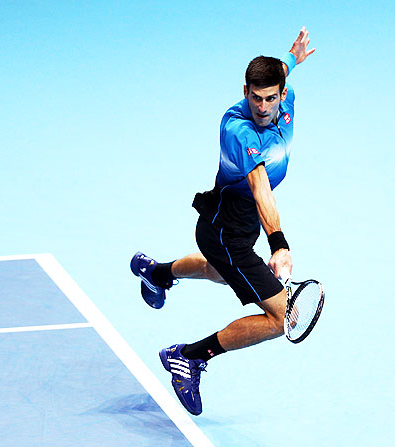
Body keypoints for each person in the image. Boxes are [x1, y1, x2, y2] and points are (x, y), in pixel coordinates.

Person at [131, 27, 316, 416]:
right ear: (244, 91)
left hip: (240, 223)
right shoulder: (238, 129)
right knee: (280, 316)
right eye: (254, 96)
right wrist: (279, 245)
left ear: (282, 94)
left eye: (270, 97)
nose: (261, 106)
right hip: (226, 227)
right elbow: (261, 187)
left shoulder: (285, 95)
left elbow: (282, 69)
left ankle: (158, 273)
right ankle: (189, 357)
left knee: (219, 272)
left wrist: (293, 57)